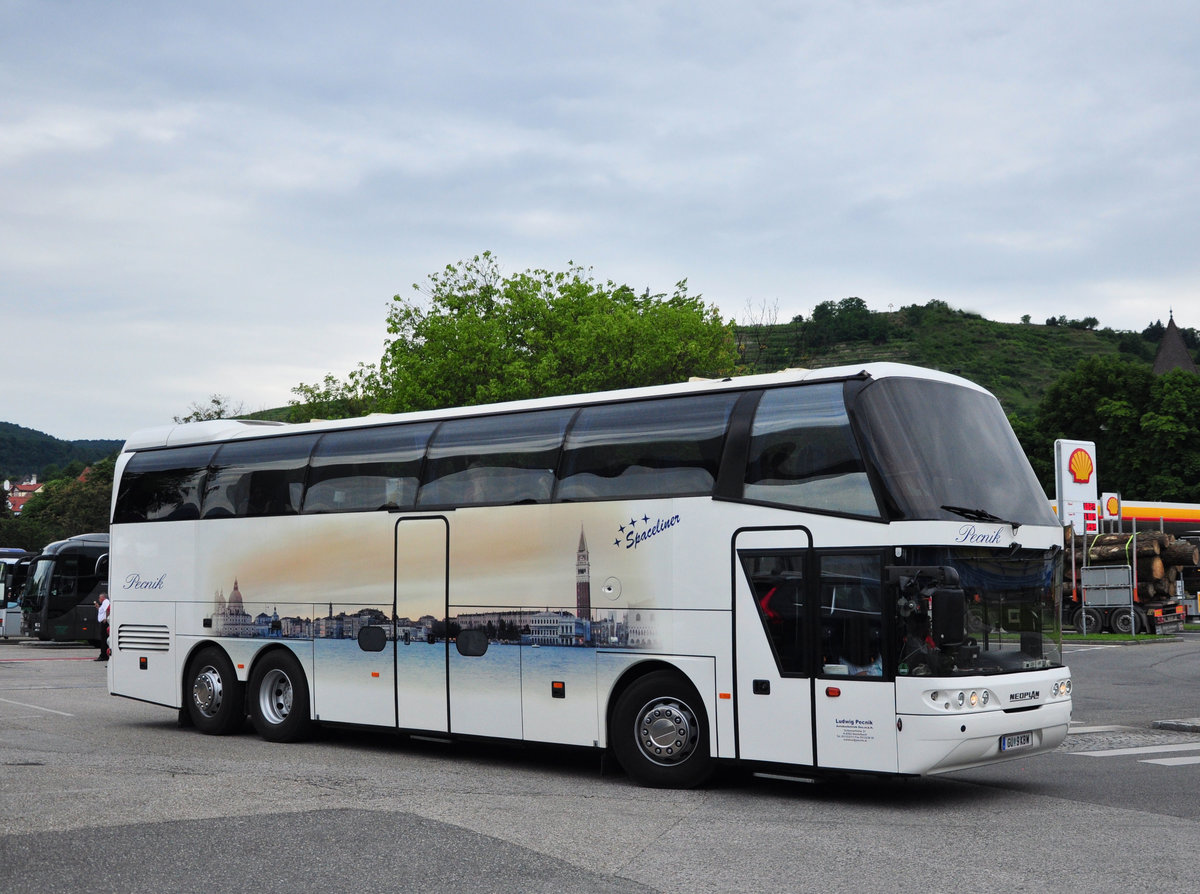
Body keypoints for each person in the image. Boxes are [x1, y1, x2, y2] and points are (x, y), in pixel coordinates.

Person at [95, 590, 110, 661]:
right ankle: (104, 654)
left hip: (104, 623)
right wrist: (98, 607)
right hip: (103, 622)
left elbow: (108, 609)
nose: (98, 599)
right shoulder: (103, 603)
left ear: (103, 597)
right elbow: (102, 611)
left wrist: (106, 618)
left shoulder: (106, 601)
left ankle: (103, 655)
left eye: (99, 598)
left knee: (104, 639)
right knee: (103, 639)